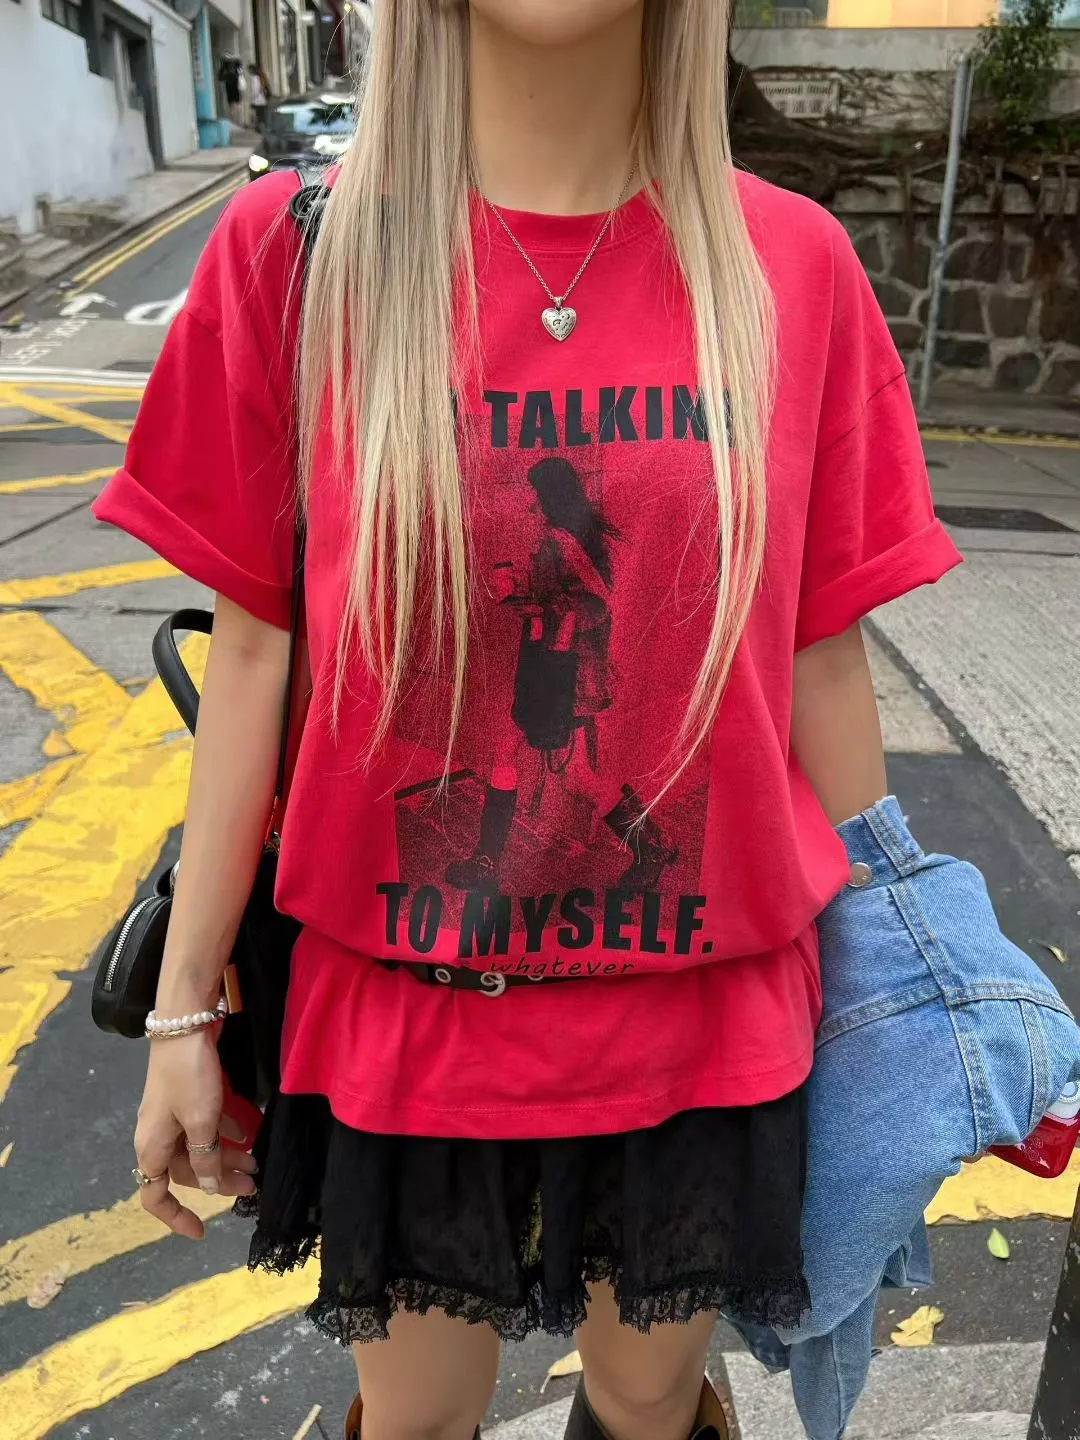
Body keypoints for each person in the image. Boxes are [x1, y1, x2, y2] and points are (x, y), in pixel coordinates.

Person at [94, 3, 961, 1440]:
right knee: (412, 1417)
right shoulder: (297, 257)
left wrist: (897, 992)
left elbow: (821, 662)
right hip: (407, 1021)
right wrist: (183, 1011)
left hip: (705, 1029)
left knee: (647, 1404)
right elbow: (252, 658)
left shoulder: (790, 266)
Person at [249, 63, 268, 130]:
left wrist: (253, 98)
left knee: (258, 114)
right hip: (261, 99)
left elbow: (255, 90)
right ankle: (261, 126)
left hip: (258, 100)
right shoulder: (259, 77)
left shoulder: (254, 78)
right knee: (261, 114)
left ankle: (259, 127)